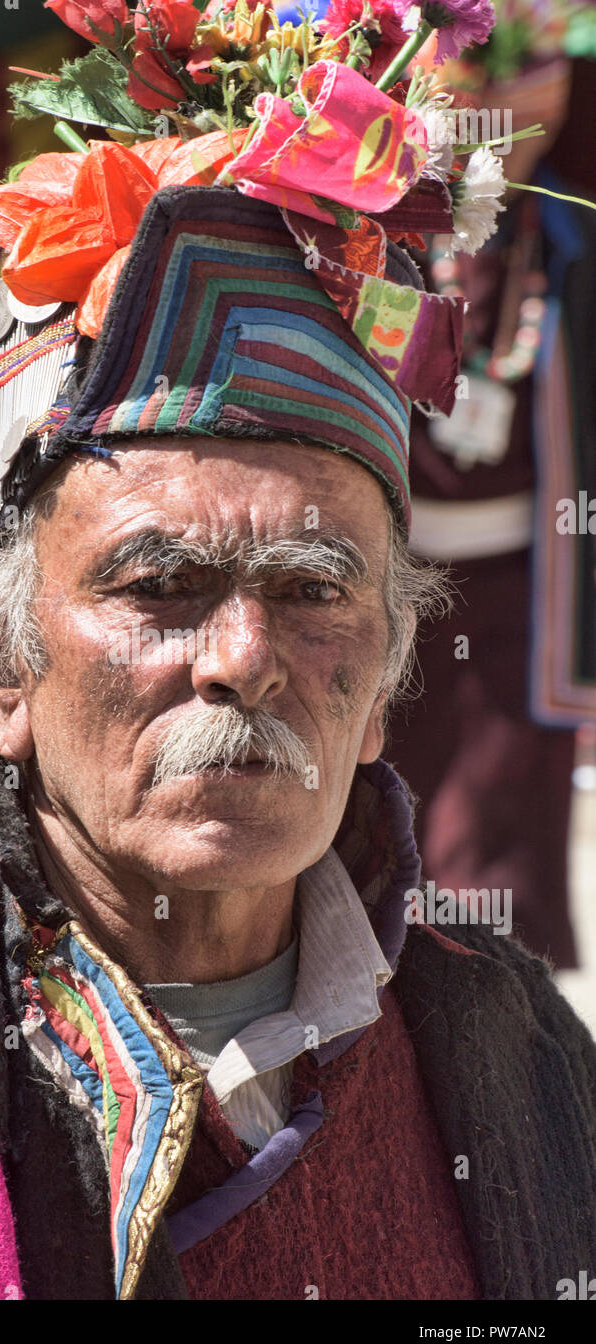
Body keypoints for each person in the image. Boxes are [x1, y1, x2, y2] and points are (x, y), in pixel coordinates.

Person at [0, 0, 594, 1301]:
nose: (244, 657)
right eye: (159, 584)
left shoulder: (513, 1042)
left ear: (383, 680)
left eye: (314, 587)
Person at [387, 3, 596, 969]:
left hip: (521, 585)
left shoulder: (560, 220)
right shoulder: (391, 222)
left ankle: (511, 1058)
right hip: (396, 578)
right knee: (393, 827)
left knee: (498, 854)